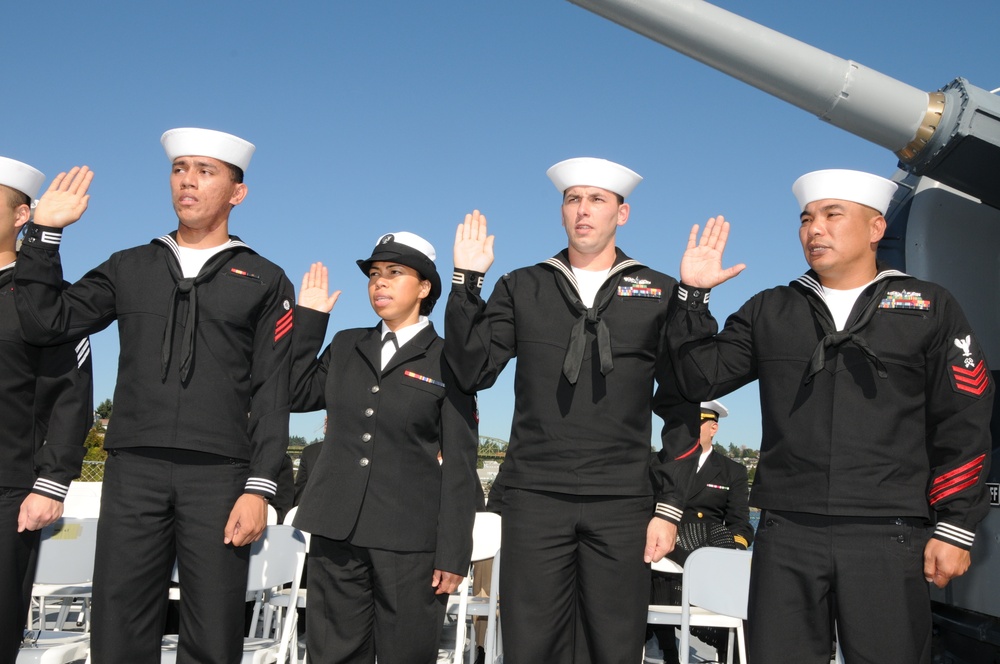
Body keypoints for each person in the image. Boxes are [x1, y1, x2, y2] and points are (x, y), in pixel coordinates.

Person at [667, 169, 994, 663]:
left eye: (831, 215)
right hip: (787, 533)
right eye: (806, 219)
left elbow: (965, 418)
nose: (814, 229)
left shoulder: (929, 307)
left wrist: (955, 527)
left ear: (876, 228)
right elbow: (697, 380)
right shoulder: (771, 309)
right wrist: (693, 297)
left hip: (890, 534)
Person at [14, 128, 295, 663]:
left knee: (213, 629)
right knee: (119, 623)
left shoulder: (265, 278)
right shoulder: (129, 265)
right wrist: (44, 236)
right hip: (133, 470)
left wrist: (259, 488)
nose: (188, 180)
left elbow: (272, 390)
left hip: (221, 476)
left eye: (205, 171)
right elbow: (47, 322)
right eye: (179, 168)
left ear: (238, 192)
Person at [446, 158, 699, 663]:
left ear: (622, 214)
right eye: (573, 199)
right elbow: (471, 371)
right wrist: (467, 284)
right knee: (530, 645)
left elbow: (683, 402)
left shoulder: (659, 292)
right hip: (535, 496)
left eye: (597, 199)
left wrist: (669, 507)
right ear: (561, 211)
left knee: (614, 645)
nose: (583, 210)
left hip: (623, 500)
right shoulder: (522, 286)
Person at [291, 232, 480, 663]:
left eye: (395, 272)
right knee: (331, 655)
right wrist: (310, 322)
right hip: (336, 534)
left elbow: (460, 464)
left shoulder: (448, 359)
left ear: (425, 287)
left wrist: (453, 553)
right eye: (374, 273)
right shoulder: (345, 344)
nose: (380, 282)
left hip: (410, 543)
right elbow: (294, 393)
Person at [0, 157, 93, 661]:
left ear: (22, 216)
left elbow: (70, 398)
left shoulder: (47, 302)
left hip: (8, 489)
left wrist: (51, 483)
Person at [647, 400, 753, 664]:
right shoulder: (656, 463)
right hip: (661, 563)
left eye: (695, 423)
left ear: (713, 428)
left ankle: (730, 655)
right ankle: (667, 650)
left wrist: (728, 554)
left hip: (709, 559)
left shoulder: (732, 471)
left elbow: (740, 524)